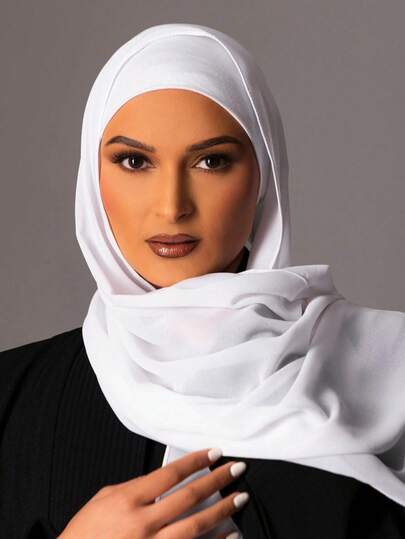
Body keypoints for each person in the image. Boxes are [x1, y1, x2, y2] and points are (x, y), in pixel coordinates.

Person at [1, 22, 405, 539]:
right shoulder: (13, 397)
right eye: (134, 161)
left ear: (264, 174)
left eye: (212, 161)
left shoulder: (387, 375)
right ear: (92, 178)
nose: (173, 205)